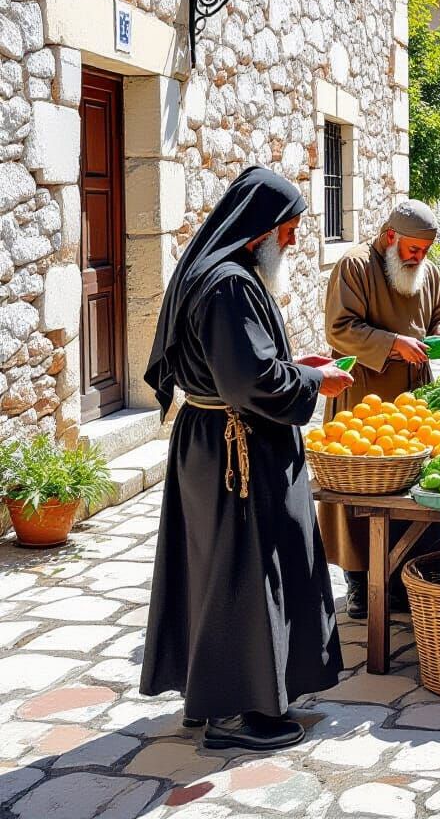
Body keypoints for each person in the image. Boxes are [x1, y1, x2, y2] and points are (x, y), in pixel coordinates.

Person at [140, 166, 350, 752]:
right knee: (242, 575)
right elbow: (253, 383)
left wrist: (298, 366)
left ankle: (219, 695)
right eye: (289, 229)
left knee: (225, 571)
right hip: (237, 449)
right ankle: (236, 713)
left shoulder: (215, 272)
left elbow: (240, 362)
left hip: (218, 444)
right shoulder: (230, 283)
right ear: (259, 229)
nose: (294, 240)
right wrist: (315, 381)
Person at [320, 200, 440, 618]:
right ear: (389, 237)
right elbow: (340, 329)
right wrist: (394, 344)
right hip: (364, 397)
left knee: (414, 489)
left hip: (416, 399)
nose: (419, 258)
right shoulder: (355, 266)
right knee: (364, 490)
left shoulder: (428, 271)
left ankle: (410, 574)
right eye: (413, 250)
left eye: (424, 251)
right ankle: (361, 581)